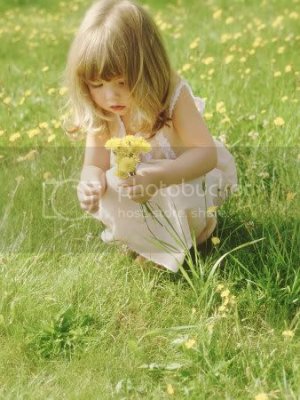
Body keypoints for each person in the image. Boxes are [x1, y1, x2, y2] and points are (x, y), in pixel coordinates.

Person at [63, 0, 237, 273]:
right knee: (111, 184)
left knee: (184, 193)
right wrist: (90, 182)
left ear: (149, 70)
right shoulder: (104, 112)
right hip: (140, 188)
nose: (111, 96)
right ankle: (145, 241)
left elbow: (205, 155)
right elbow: (94, 164)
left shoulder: (171, 96)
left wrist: (159, 177)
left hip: (182, 176)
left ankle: (189, 239)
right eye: (97, 85)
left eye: (122, 82)